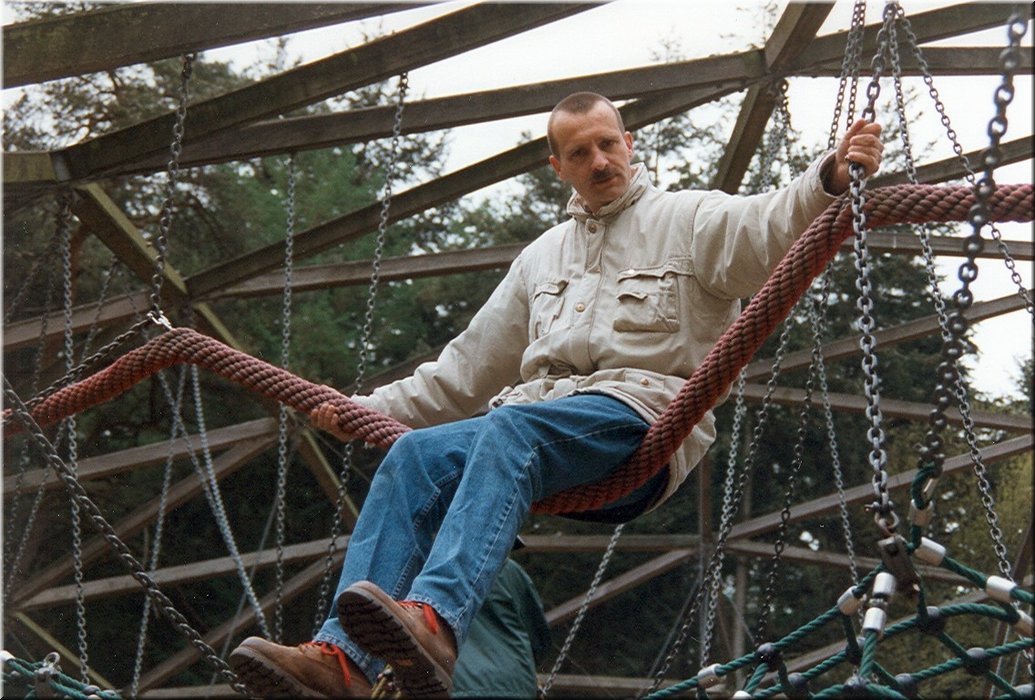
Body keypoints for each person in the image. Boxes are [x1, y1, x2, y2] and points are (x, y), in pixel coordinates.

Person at [229, 92, 883, 697]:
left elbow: (769, 225)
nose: (598, 162)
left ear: (628, 144)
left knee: (510, 429)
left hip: (638, 423)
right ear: (557, 167)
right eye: (579, 152)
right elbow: (465, 369)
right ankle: (342, 662)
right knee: (413, 457)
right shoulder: (541, 259)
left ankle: (436, 621)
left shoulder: (688, 220)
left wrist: (829, 176)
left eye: (607, 144)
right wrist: (364, 410)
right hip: (539, 433)